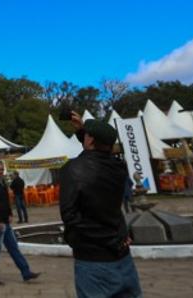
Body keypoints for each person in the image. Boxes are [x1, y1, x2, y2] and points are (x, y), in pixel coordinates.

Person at [60, 113, 141, 298]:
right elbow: (97, 152)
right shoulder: (118, 167)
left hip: (93, 259)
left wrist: (104, 240)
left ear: (89, 140)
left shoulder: (72, 169)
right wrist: (83, 131)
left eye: (87, 135)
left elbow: (70, 215)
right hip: (122, 253)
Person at [0, 162, 39, 286]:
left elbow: (4, 201)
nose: (0, 171)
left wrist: (9, 213)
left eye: (2, 169)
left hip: (5, 221)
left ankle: (26, 272)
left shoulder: (1, 182)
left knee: (13, 247)